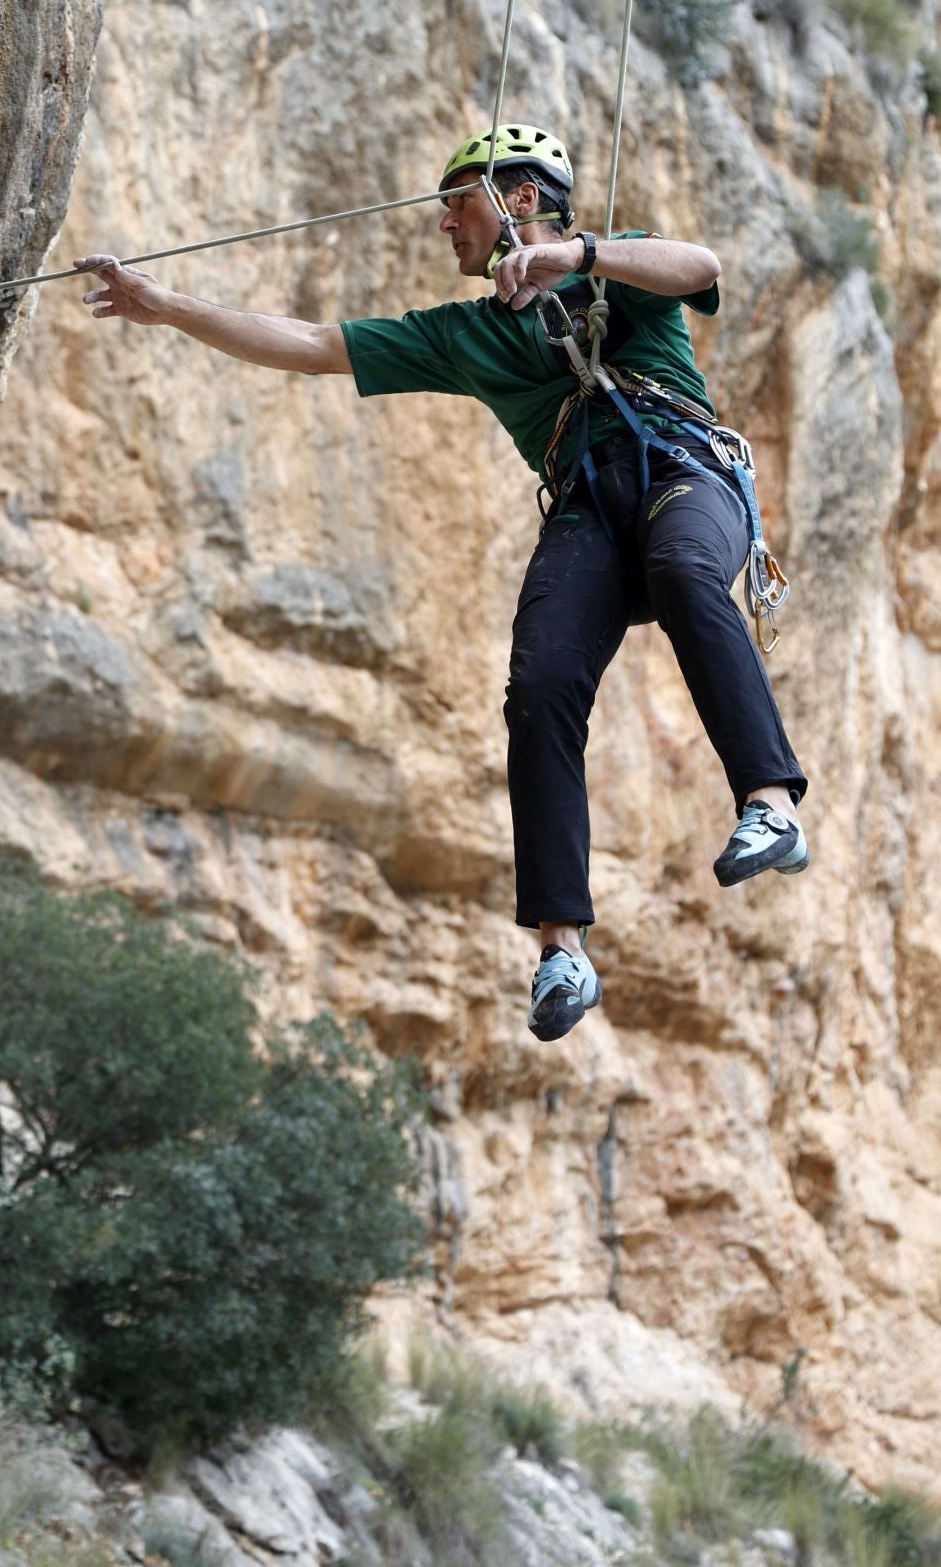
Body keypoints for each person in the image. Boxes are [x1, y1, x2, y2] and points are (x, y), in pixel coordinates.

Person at [76, 123, 807, 1043]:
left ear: (520, 199)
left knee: (684, 569)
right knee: (537, 684)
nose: (442, 225)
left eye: (455, 202)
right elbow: (307, 341)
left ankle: (770, 806)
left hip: (681, 473)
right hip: (584, 505)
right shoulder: (461, 334)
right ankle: (561, 948)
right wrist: (167, 305)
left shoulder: (615, 268)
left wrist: (574, 257)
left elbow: (695, 264)